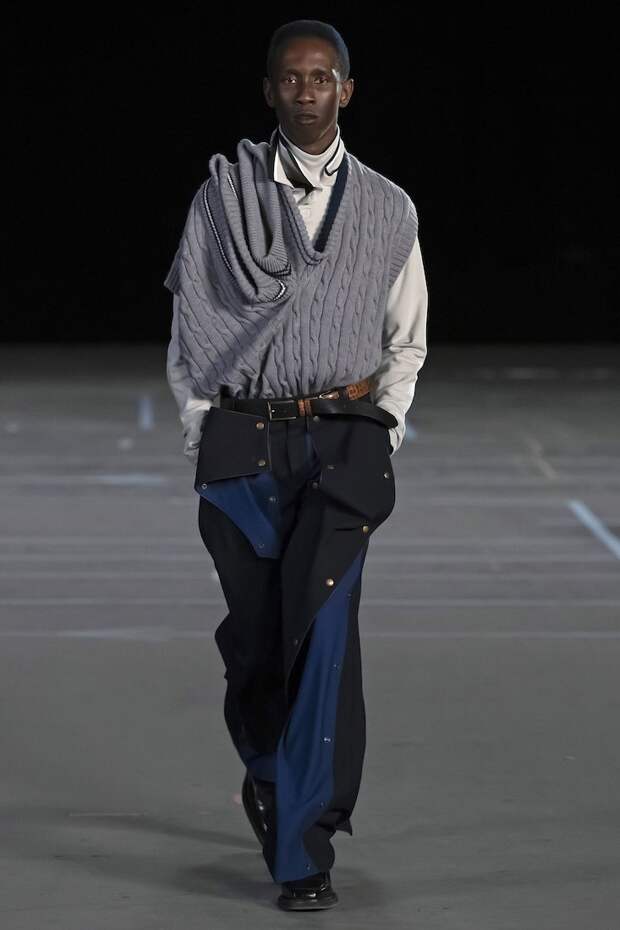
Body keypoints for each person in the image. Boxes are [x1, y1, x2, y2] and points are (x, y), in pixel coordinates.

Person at [164, 18, 428, 912]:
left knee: (321, 635)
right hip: (243, 441)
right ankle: (271, 776)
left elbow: (407, 338)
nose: (307, 91)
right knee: (255, 646)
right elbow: (189, 331)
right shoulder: (221, 200)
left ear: (346, 90)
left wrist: (384, 427)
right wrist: (201, 429)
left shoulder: (389, 207)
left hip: (344, 439)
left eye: (322, 77)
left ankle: (305, 850)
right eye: (291, 77)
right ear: (270, 90)